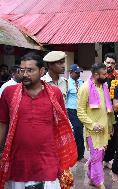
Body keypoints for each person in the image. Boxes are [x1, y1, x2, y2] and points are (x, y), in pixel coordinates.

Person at [0, 52, 77, 189]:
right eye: (22, 70)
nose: (25, 74)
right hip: (19, 164)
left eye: (30, 70)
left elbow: (60, 125)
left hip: (48, 162)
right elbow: (2, 125)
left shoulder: (55, 93)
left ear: (42, 71)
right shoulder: (9, 93)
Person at [77, 63, 115, 189]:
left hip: (104, 130)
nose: (106, 76)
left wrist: (110, 125)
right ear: (95, 75)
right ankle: (99, 181)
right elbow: (80, 111)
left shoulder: (104, 86)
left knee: (98, 156)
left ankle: (91, 176)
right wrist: (92, 125)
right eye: (104, 74)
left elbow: (108, 109)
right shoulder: (85, 88)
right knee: (97, 157)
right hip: (92, 131)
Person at [103, 53, 118, 170]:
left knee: (113, 137)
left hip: (114, 111)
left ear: (115, 64)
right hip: (100, 110)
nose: (109, 65)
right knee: (100, 135)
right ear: (104, 62)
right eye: (108, 62)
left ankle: (107, 160)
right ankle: (97, 160)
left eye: (112, 63)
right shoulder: (99, 74)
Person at [66, 64, 85, 162]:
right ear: (71, 72)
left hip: (81, 110)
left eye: (79, 73)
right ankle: (79, 155)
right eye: (76, 73)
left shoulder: (81, 82)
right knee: (77, 130)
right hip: (71, 110)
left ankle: (79, 154)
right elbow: (65, 98)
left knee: (79, 131)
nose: (78, 75)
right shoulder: (66, 83)